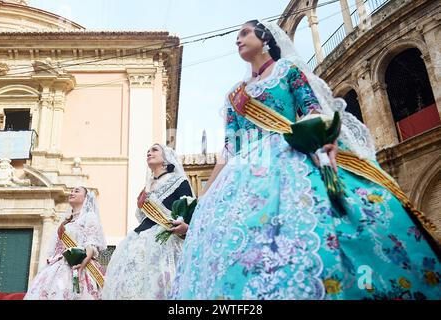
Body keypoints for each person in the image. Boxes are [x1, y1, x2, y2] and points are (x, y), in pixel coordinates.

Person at [171, 20, 441, 300]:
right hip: (240, 176)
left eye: (245, 33)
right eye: (236, 36)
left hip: (289, 158)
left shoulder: (288, 71)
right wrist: (203, 199)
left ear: (265, 39)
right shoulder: (234, 96)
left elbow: (312, 110)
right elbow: (229, 148)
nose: (237, 40)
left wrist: (324, 140)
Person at [102, 143, 193, 299]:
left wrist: (187, 228)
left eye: (154, 150)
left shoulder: (178, 181)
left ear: (166, 158)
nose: (149, 153)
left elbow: (190, 210)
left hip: (166, 240)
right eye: (148, 151)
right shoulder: (146, 188)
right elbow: (142, 216)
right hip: (139, 238)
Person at [24, 187, 107, 300]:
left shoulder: (89, 217)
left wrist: (82, 263)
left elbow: (91, 244)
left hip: (80, 265)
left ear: (85, 197)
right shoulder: (65, 221)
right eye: (71, 191)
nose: (72, 193)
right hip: (57, 267)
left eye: (76, 191)